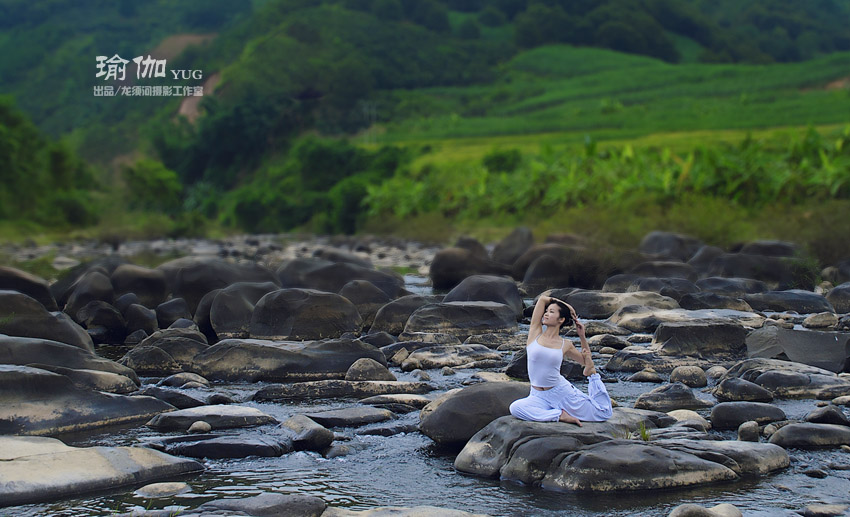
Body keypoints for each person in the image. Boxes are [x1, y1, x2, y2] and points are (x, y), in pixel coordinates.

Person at [509, 295, 613, 426]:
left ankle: (592, 381)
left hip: (561, 393)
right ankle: (559, 415)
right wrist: (566, 305)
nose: (546, 314)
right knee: (515, 408)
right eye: (546, 311)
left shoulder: (566, 344)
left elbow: (586, 361)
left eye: (551, 312)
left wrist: (582, 337)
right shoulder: (535, 333)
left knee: (604, 412)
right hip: (537, 396)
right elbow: (542, 299)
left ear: (561, 319)